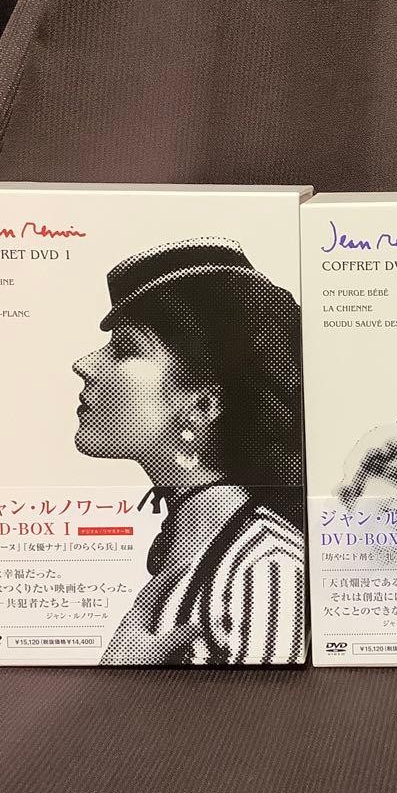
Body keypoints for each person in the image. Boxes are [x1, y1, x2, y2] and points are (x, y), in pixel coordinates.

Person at [73, 238, 305, 665]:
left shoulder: (268, 568)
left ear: (202, 406)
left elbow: (279, 709)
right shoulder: (198, 554)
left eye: (124, 349)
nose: (83, 364)